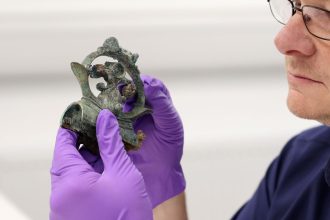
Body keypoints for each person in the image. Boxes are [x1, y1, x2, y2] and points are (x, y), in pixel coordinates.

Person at [49, 0, 330, 219]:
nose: (283, 41)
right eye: (297, 7)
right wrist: (159, 196)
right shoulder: (301, 165)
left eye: (325, 15)